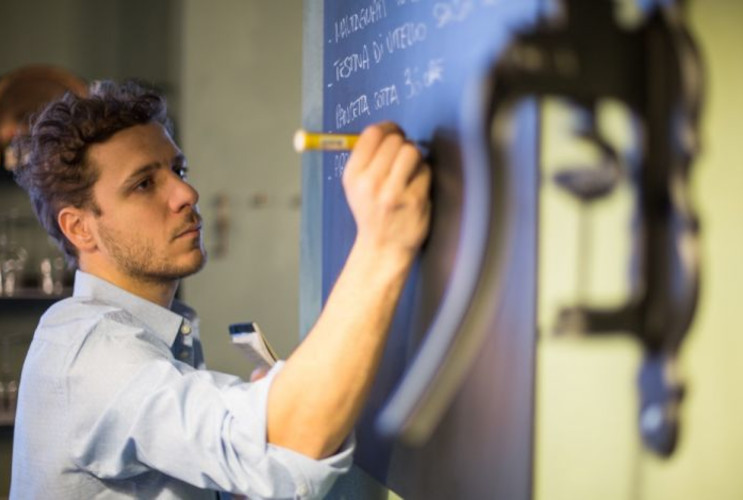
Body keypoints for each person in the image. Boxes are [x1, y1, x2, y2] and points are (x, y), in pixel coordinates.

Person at [9, 81, 431, 498]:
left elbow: (271, 457)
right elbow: (288, 440)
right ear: (79, 228)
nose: (186, 194)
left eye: (178, 170)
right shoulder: (90, 351)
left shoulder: (151, 340)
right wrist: (382, 242)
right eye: (143, 184)